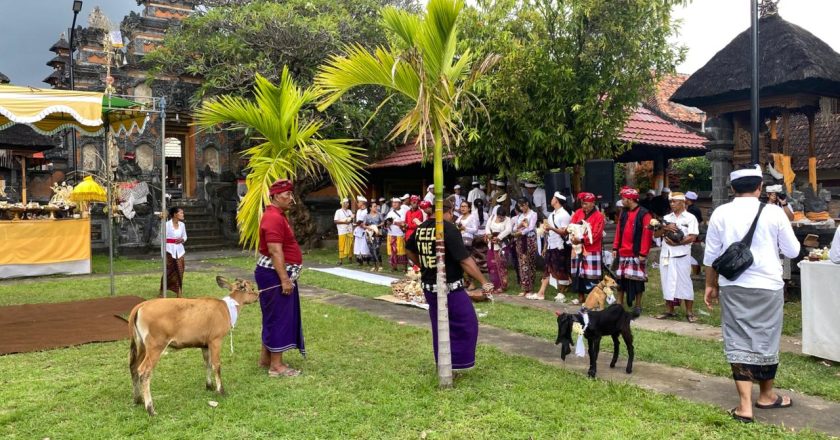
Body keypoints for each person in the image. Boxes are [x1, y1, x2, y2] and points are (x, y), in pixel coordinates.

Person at [703, 164, 800, 423]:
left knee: (737, 338)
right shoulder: (774, 212)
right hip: (768, 285)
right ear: (759, 187)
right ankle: (766, 395)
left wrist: (710, 285)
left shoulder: (720, 213)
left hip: (733, 285)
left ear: (732, 188)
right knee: (767, 337)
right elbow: (792, 251)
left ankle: (744, 405)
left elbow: (711, 255)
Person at [405, 199, 494, 372]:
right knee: (467, 324)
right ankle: (458, 364)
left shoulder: (421, 228)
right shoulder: (448, 228)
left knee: (440, 325)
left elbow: (408, 248)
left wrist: (423, 265)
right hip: (449, 288)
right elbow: (465, 260)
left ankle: (443, 362)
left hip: (429, 287)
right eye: (452, 212)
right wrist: (484, 282)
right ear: (449, 211)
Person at [255, 179, 305, 378]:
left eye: (291, 194)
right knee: (279, 317)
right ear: (276, 196)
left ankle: (266, 358)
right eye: (287, 194)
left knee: (272, 315)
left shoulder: (277, 215)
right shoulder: (273, 218)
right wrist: (284, 279)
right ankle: (276, 366)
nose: (291, 198)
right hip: (275, 276)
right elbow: (275, 251)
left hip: (274, 274)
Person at [654, 192, 699, 322]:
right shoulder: (666, 217)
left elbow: (692, 236)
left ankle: (689, 312)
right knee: (666, 282)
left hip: (682, 255)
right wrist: (665, 228)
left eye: (674, 201)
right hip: (666, 255)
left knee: (685, 282)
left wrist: (677, 243)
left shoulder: (690, 218)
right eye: (670, 202)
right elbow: (656, 235)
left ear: (682, 202)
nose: (672, 204)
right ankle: (669, 310)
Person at [612, 187, 654, 317]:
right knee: (620, 279)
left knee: (637, 280)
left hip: (636, 252)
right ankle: (619, 304)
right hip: (623, 252)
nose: (622, 200)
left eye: (623, 198)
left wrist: (643, 253)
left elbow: (647, 234)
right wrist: (615, 247)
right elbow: (618, 230)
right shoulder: (623, 212)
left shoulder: (644, 214)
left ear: (630, 199)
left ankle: (638, 305)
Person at [569, 192, 605, 305]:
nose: (583, 206)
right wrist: (573, 236)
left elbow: (596, 235)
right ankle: (581, 297)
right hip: (577, 248)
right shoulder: (578, 213)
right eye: (582, 204)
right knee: (578, 274)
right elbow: (571, 226)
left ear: (593, 203)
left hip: (591, 249)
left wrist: (581, 239)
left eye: (586, 204)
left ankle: (593, 299)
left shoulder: (599, 216)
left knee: (591, 276)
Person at [535, 192, 572, 301]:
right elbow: (550, 232)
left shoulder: (564, 215)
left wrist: (551, 228)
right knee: (547, 268)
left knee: (560, 270)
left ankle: (561, 292)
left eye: (553, 198)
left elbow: (565, 232)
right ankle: (541, 292)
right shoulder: (551, 214)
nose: (551, 200)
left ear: (556, 200)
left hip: (560, 246)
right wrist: (545, 246)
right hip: (551, 245)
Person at [512, 198, 539, 297]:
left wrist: (521, 232)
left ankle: (530, 288)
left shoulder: (533, 214)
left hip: (529, 240)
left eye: (523, 205)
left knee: (530, 263)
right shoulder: (520, 216)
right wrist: (520, 225)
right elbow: (514, 228)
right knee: (522, 263)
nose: (521, 208)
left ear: (527, 204)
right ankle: (524, 287)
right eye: (520, 206)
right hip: (520, 241)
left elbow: (531, 227)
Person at [486, 195, 512, 293]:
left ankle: (502, 286)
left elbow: (508, 230)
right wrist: (489, 235)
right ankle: (494, 285)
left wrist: (499, 237)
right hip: (491, 244)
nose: (501, 219)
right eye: (500, 217)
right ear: (497, 215)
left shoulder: (508, 220)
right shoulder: (492, 217)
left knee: (501, 265)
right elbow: (487, 227)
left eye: (503, 217)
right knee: (491, 265)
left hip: (501, 245)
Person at [161, 206, 187, 297]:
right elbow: (163, 238)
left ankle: (179, 291)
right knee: (169, 271)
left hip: (179, 250)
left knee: (180, 270)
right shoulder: (166, 225)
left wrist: (182, 239)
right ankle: (162, 289)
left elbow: (185, 236)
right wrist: (164, 252)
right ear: (175, 214)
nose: (183, 214)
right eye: (181, 213)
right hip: (169, 250)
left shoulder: (182, 225)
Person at [386, 197, 408, 272]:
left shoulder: (404, 211)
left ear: (400, 204)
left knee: (401, 252)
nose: (394, 204)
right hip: (391, 234)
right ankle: (394, 267)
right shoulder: (390, 212)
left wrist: (394, 222)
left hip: (400, 234)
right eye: (393, 203)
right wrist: (387, 223)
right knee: (392, 252)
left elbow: (404, 223)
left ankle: (404, 268)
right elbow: (386, 223)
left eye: (396, 203)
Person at [365, 202, 385, 272]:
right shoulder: (367, 216)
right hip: (369, 233)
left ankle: (380, 265)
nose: (376, 207)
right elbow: (363, 225)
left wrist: (377, 226)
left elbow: (383, 222)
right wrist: (369, 227)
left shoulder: (379, 215)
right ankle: (374, 265)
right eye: (374, 206)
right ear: (370, 208)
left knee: (377, 249)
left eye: (376, 206)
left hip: (378, 233)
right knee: (371, 249)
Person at [333, 198, 354, 265]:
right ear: (342, 204)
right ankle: (341, 260)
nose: (347, 204)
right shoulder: (338, 211)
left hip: (349, 230)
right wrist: (345, 222)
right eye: (346, 203)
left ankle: (350, 258)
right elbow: (335, 221)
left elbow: (351, 220)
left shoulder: (349, 211)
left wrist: (351, 219)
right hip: (342, 231)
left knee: (350, 245)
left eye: (348, 203)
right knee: (342, 245)